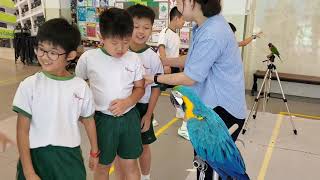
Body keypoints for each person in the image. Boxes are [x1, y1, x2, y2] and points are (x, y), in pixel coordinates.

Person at [144, 0, 247, 179]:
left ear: (193, 2)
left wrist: (153, 78)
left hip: (223, 111)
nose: (177, 4)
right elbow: (193, 59)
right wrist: (164, 61)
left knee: (210, 170)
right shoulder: (204, 25)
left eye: (180, 1)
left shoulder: (212, 33)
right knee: (204, 163)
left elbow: (190, 77)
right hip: (212, 106)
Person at [13, 18, 99, 180]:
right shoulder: (29, 85)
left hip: (69, 156)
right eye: (41, 49)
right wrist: (29, 172)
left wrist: (94, 151)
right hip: (36, 156)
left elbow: (88, 121)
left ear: (71, 55)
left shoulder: (80, 87)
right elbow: (22, 131)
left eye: (53, 52)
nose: (45, 57)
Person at [75, 8, 145, 180]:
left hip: (129, 118)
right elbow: (77, 86)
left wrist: (128, 102)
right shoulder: (88, 58)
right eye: (114, 43)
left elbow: (140, 88)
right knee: (102, 167)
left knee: (131, 165)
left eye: (126, 42)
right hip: (102, 121)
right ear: (101, 36)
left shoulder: (134, 59)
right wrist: (81, 113)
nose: (121, 48)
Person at [114, 5, 164, 180]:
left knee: (144, 146)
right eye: (136, 26)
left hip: (142, 108)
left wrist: (149, 115)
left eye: (146, 27)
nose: (141, 31)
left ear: (152, 29)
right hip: (120, 107)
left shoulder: (153, 57)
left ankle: (145, 177)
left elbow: (156, 89)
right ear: (127, 26)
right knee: (119, 150)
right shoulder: (118, 52)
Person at [157, 6, 189, 140]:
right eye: (183, 20)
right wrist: (166, 64)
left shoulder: (175, 34)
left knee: (179, 90)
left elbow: (175, 53)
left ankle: (179, 111)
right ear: (176, 18)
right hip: (166, 67)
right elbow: (161, 48)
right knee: (155, 91)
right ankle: (149, 115)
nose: (184, 23)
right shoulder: (165, 32)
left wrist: (179, 67)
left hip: (174, 66)